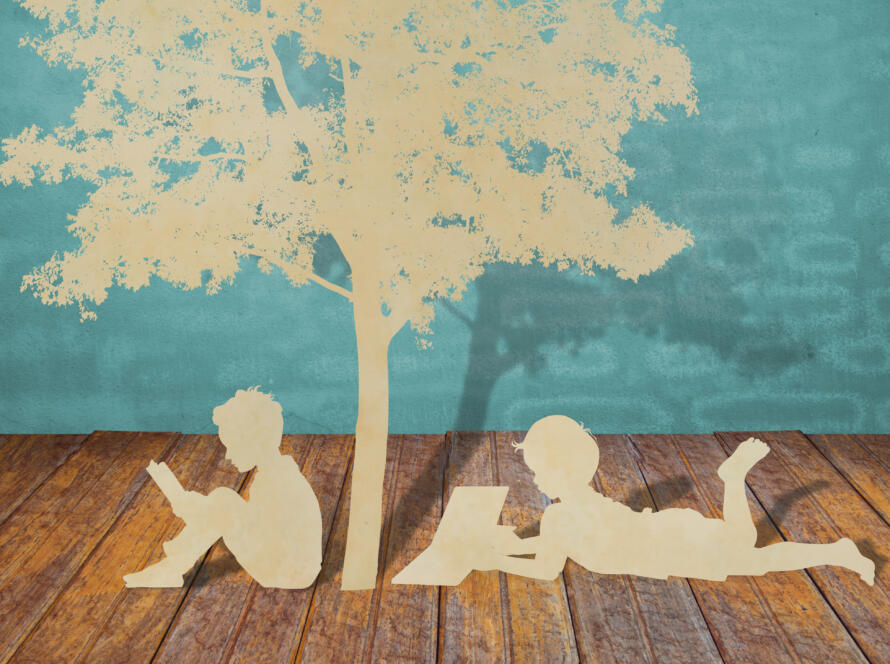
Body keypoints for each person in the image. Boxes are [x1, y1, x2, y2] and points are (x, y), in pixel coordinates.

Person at [491, 415, 874, 585]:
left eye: (539, 470)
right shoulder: (576, 511)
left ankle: (733, 478)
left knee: (750, 551)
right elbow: (569, 542)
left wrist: (492, 557)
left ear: (560, 471)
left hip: (668, 544)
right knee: (753, 556)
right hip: (666, 536)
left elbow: (547, 569)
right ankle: (838, 551)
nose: (536, 479)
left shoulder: (562, 519)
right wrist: (518, 543)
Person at [123, 387, 322, 589]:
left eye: (233, 446)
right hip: (292, 567)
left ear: (256, 442)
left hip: (288, 573)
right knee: (222, 501)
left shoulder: (278, 481)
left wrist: (203, 511)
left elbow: (256, 529)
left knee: (223, 501)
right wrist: (203, 511)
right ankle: (171, 567)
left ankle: (171, 568)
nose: (228, 456)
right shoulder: (277, 473)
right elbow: (258, 524)